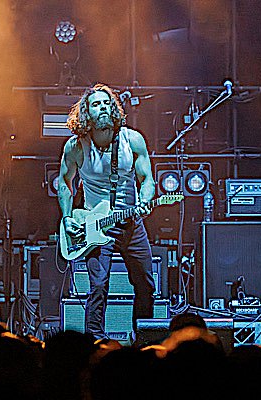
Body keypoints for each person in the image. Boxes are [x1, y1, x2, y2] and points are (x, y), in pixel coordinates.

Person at [59, 83, 156, 339]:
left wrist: (145, 199)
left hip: (131, 222)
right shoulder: (76, 146)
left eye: (106, 103)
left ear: (113, 108)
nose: (102, 107)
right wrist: (67, 218)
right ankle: (95, 340)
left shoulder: (132, 140)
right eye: (95, 104)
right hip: (96, 225)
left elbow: (147, 179)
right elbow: (64, 183)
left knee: (146, 284)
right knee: (99, 286)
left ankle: (143, 339)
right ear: (86, 113)